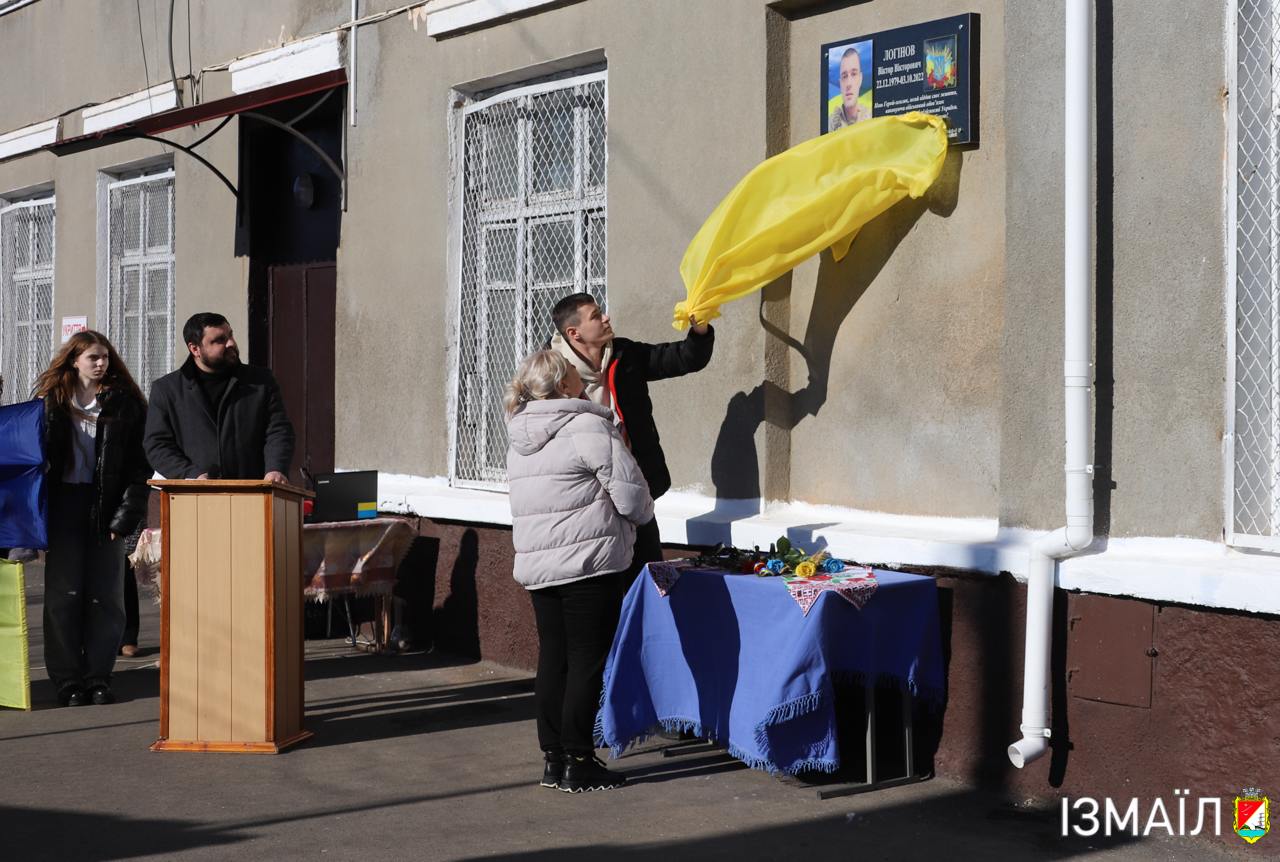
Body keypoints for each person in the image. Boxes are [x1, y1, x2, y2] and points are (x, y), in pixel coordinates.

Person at [505, 350, 654, 793]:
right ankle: (579, 760)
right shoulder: (587, 425)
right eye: (573, 372)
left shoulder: (519, 436)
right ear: (564, 386)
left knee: (554, 659)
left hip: (539, 563)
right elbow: (633, 498)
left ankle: (554, 759)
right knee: (587, 662)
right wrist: (637, 518)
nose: (581, 377)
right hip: (588, 564)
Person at [548, 293, 714, 570]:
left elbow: (683, 358)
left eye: (602, 312)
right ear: (574, 333)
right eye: (596, 316)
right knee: (605, 594)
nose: (606, 318)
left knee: (647, 580)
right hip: (586, 504)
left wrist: (700, 329)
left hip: (636, 495)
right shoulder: (550, 373)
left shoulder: (624, 355)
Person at [33, 331, 150, 706]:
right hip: (63, 505)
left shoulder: (125, 405)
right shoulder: (50, 404)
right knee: (62, 596)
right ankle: (67, 680)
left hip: (107, 507)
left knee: (107, 597)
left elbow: (138, 468)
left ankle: (99, 676)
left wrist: (123, 520)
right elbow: (33, 462)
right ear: (73, 360)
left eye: (105, 358)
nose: (101, 364)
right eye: (93, 358)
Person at [144, 312, 294, 482]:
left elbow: (278, 430)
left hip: (252, 493)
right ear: (195, 349)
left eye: (230, 335)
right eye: (219, 340)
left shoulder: (260, 381)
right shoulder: (167, 390)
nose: (231, 343)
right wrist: (191, 474)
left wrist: (275, 468)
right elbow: (157, 445)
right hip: (192, 498)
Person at [828, 46, 870, 131]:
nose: (848, 84)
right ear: (840, 83)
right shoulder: (830, 124)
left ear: (860, 79)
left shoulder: (871, 118)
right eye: (844, 76)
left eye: (854, 74)